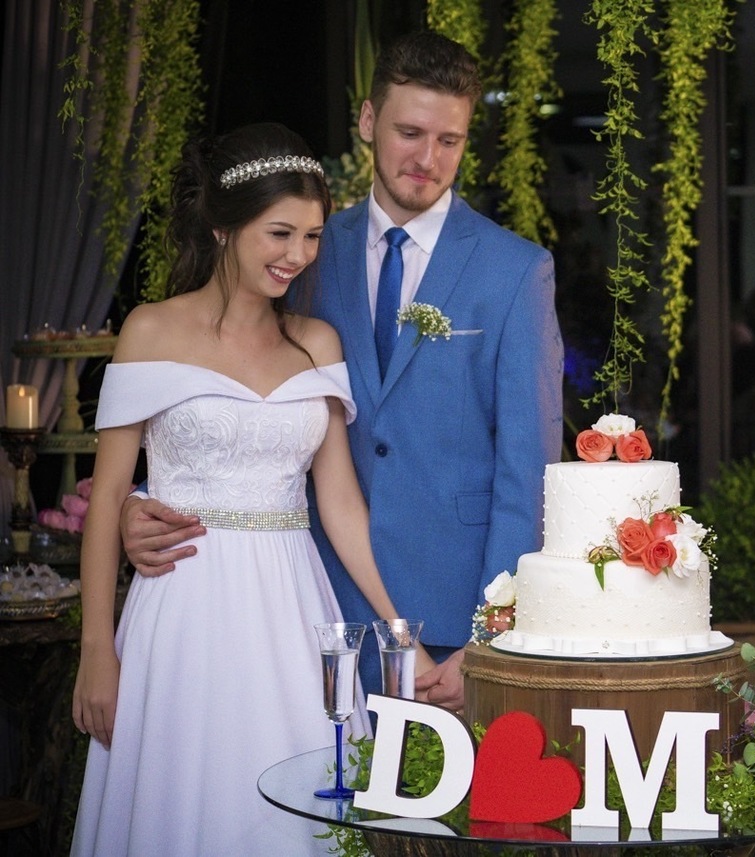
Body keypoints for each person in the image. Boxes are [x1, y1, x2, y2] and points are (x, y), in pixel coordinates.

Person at [118, 32, 564, 710]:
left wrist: (493, 633)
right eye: (410, 133)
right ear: (367, 120)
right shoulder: (302, 250)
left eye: (449, 140)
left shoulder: (516, 271)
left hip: (454, 625)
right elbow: (226, 379)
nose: (427, 159)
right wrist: (143, 500)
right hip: (307, 608)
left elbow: (528, 472)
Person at [68, 123, 434, 856]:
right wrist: (95, 648)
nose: (297, 255)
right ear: (223, 228)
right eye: (279, 233)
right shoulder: (149, 331)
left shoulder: (317, 343)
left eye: (312, 236)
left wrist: (402, 634)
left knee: (300, 804)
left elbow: (340, 505)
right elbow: (108, 501)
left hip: (291, 610)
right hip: (182, 610)